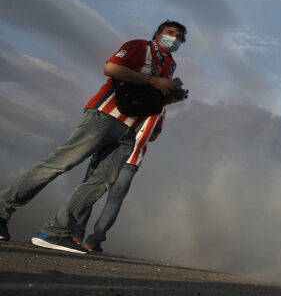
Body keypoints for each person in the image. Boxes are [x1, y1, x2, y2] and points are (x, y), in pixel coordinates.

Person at [0, 21, 187, 252]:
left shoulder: (169, 65)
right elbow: (111, 68)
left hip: (129, 129)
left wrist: (168, 94)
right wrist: (152, 81)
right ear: (158, 34)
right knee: (58, 164)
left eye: (179, 36)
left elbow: (148, 97)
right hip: (104, 117)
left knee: (100, 182)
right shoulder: (140, 47)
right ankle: (2, 209)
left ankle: (56, 231)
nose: (174, 38)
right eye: (170, 33)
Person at [70, 110, 165, 253]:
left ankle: (76, 235)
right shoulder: (161, 108)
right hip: (131, 158)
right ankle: (94, 240)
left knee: (88, 189)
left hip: (106, 151)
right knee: (114, 201)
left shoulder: (127, 91)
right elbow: (153, 136)